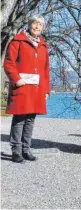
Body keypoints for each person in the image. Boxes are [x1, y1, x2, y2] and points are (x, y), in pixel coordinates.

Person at [4, 14, 50, 163]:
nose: (37, 27)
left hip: (37, 89)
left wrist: (46, 90)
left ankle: (26, 149)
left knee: (30, 119)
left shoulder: (43, 46)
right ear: (29, 24)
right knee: (20, 118)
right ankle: (16, 151)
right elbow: (9, 63)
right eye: (35, 24)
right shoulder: (18, 41)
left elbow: (45, 70)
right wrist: (17, 80)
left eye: (40, 25)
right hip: (22, 86)